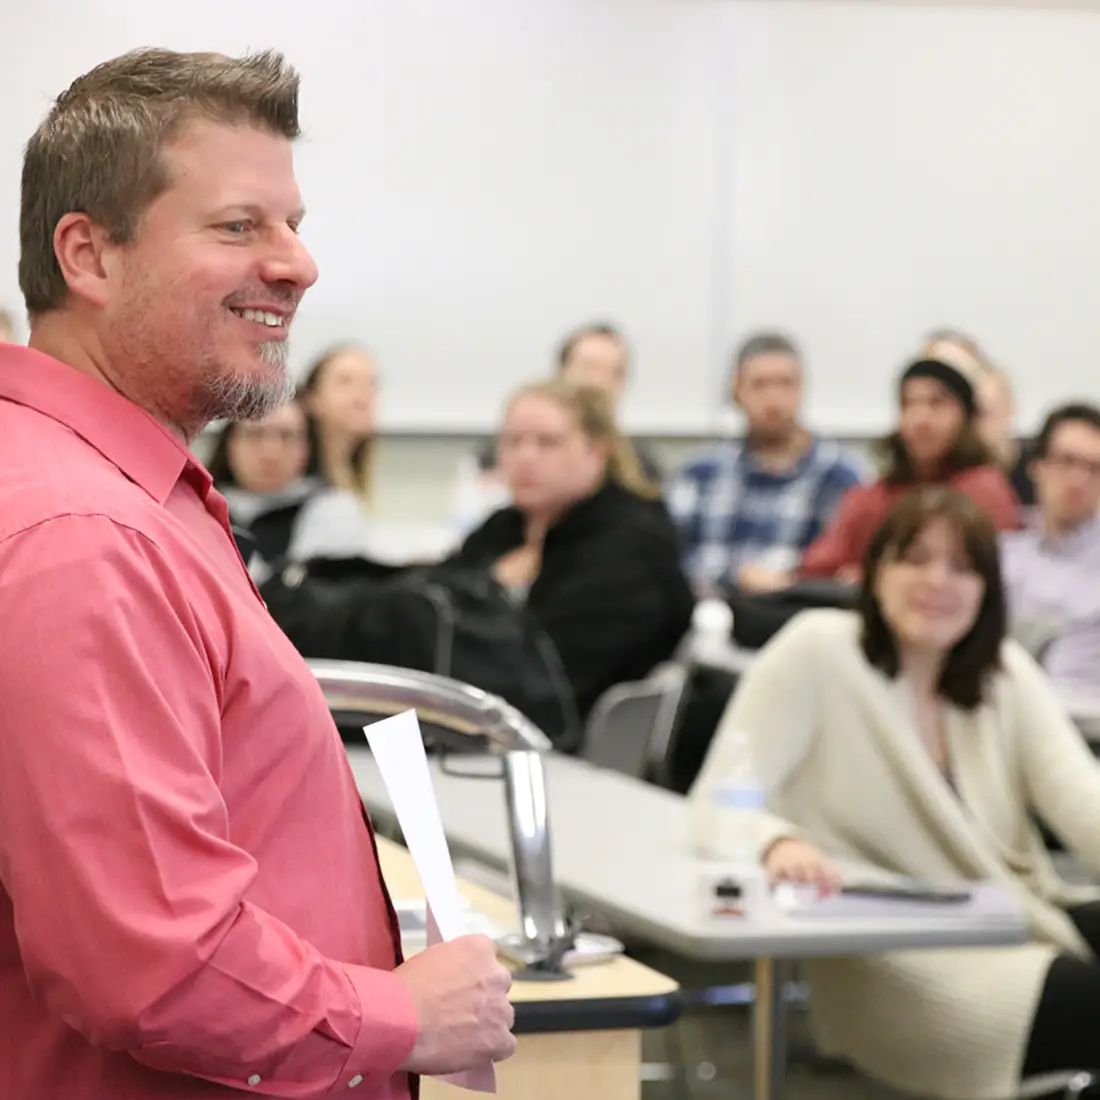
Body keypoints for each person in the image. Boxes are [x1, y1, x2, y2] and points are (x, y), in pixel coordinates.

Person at [0, 48, 514, 1100]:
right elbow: (153, 964)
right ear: (88, 256)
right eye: (238, 226)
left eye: (292, 224)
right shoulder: (83, 534)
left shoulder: (124, 495)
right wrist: (404, 1013)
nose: (297, 265)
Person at [690, 487, 1100, 1100]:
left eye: (962, 567)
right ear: (875, 571)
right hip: (896, 959)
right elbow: (720, 800)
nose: (937, 581)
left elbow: (1081, 798)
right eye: (914, 558)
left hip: (1018, 913)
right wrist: (777, 841)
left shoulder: (1003, 671)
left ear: (988, 589)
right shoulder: (818, 649)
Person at [448, 379, 695, 721]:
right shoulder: (504, 528)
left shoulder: (631, 544)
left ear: (596, 452)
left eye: (547, 442)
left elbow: (550, 674)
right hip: (486, 717)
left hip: (565, 741)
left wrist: (485, 592)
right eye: (513, 441)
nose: (525, 457)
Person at [774, 354, 1020, 587]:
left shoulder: (984, 491)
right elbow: (819, 565)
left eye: (937, 403)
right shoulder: (875, 495)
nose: (920, 417)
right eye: (908, 403)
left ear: (965, 416)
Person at [667, 331, 866, 594]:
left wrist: (792, 583)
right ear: (736, 390)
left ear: (802, 388)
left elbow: (850, 572)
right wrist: (735, 577)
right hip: (710, 618)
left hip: (801, 619)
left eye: (785, 384)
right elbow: (667, 560)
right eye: (760, 384)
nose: (773, 399)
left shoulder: (842, 477)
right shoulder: (701, 473)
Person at [453, 321, 661, 533]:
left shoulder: (641, 466)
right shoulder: (497, 455)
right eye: (589, 368)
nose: (600, 382)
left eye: (615, 373)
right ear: (561, 372)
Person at [207, 398, 376, 581]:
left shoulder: (335, 513)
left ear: (307, 447)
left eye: (286, 436)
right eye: (255, 434)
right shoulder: (196, 510)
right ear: (230, 444)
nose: (270, 451)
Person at [1002, 403, 1100, 699]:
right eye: (1066, 461)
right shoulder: (1004, 556)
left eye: (1094, 468)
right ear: (1037, 466)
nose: (1078, 479)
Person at [298, 342, 378, 504]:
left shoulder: (353, 476)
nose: (362, 393)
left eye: (371, 383)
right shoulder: (297, 484)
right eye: (345, 381)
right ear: (313, 398)